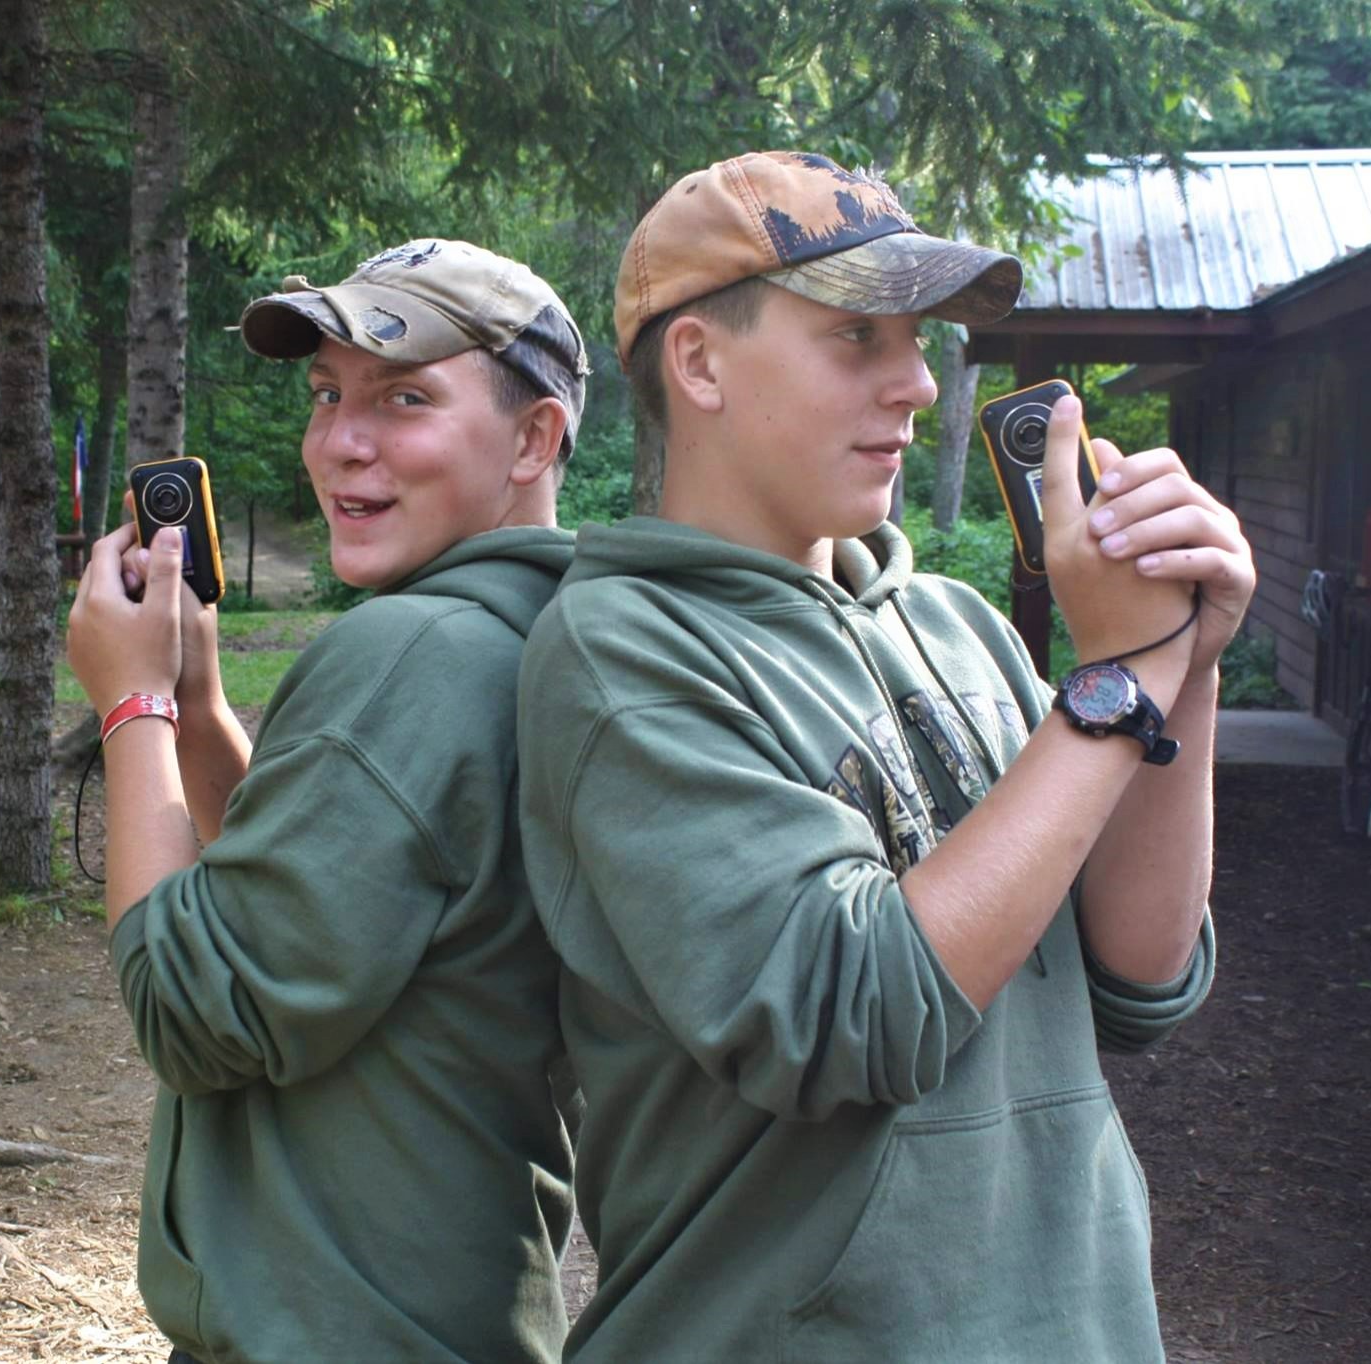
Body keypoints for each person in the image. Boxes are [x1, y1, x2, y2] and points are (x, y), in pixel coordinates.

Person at [515, 151, 1256, 1362]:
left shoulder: (955, 624)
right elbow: (853, 1016)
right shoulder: (620, 652)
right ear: (698, 361)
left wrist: (1186, 661)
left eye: (916, 338)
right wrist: (1108, 687)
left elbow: (1142, 977)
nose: (916, 383)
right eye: (857, 335)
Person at [66, 238, 589, 1364]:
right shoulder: (543, 632)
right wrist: (201, 709)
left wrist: (133, 708)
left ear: (535, 437)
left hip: (333, 1320)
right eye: (326, 395)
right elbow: (333, 900)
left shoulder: (412, 654)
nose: (342, 442)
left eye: (404, 398)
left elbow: (191, 1010)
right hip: (453, 1296)